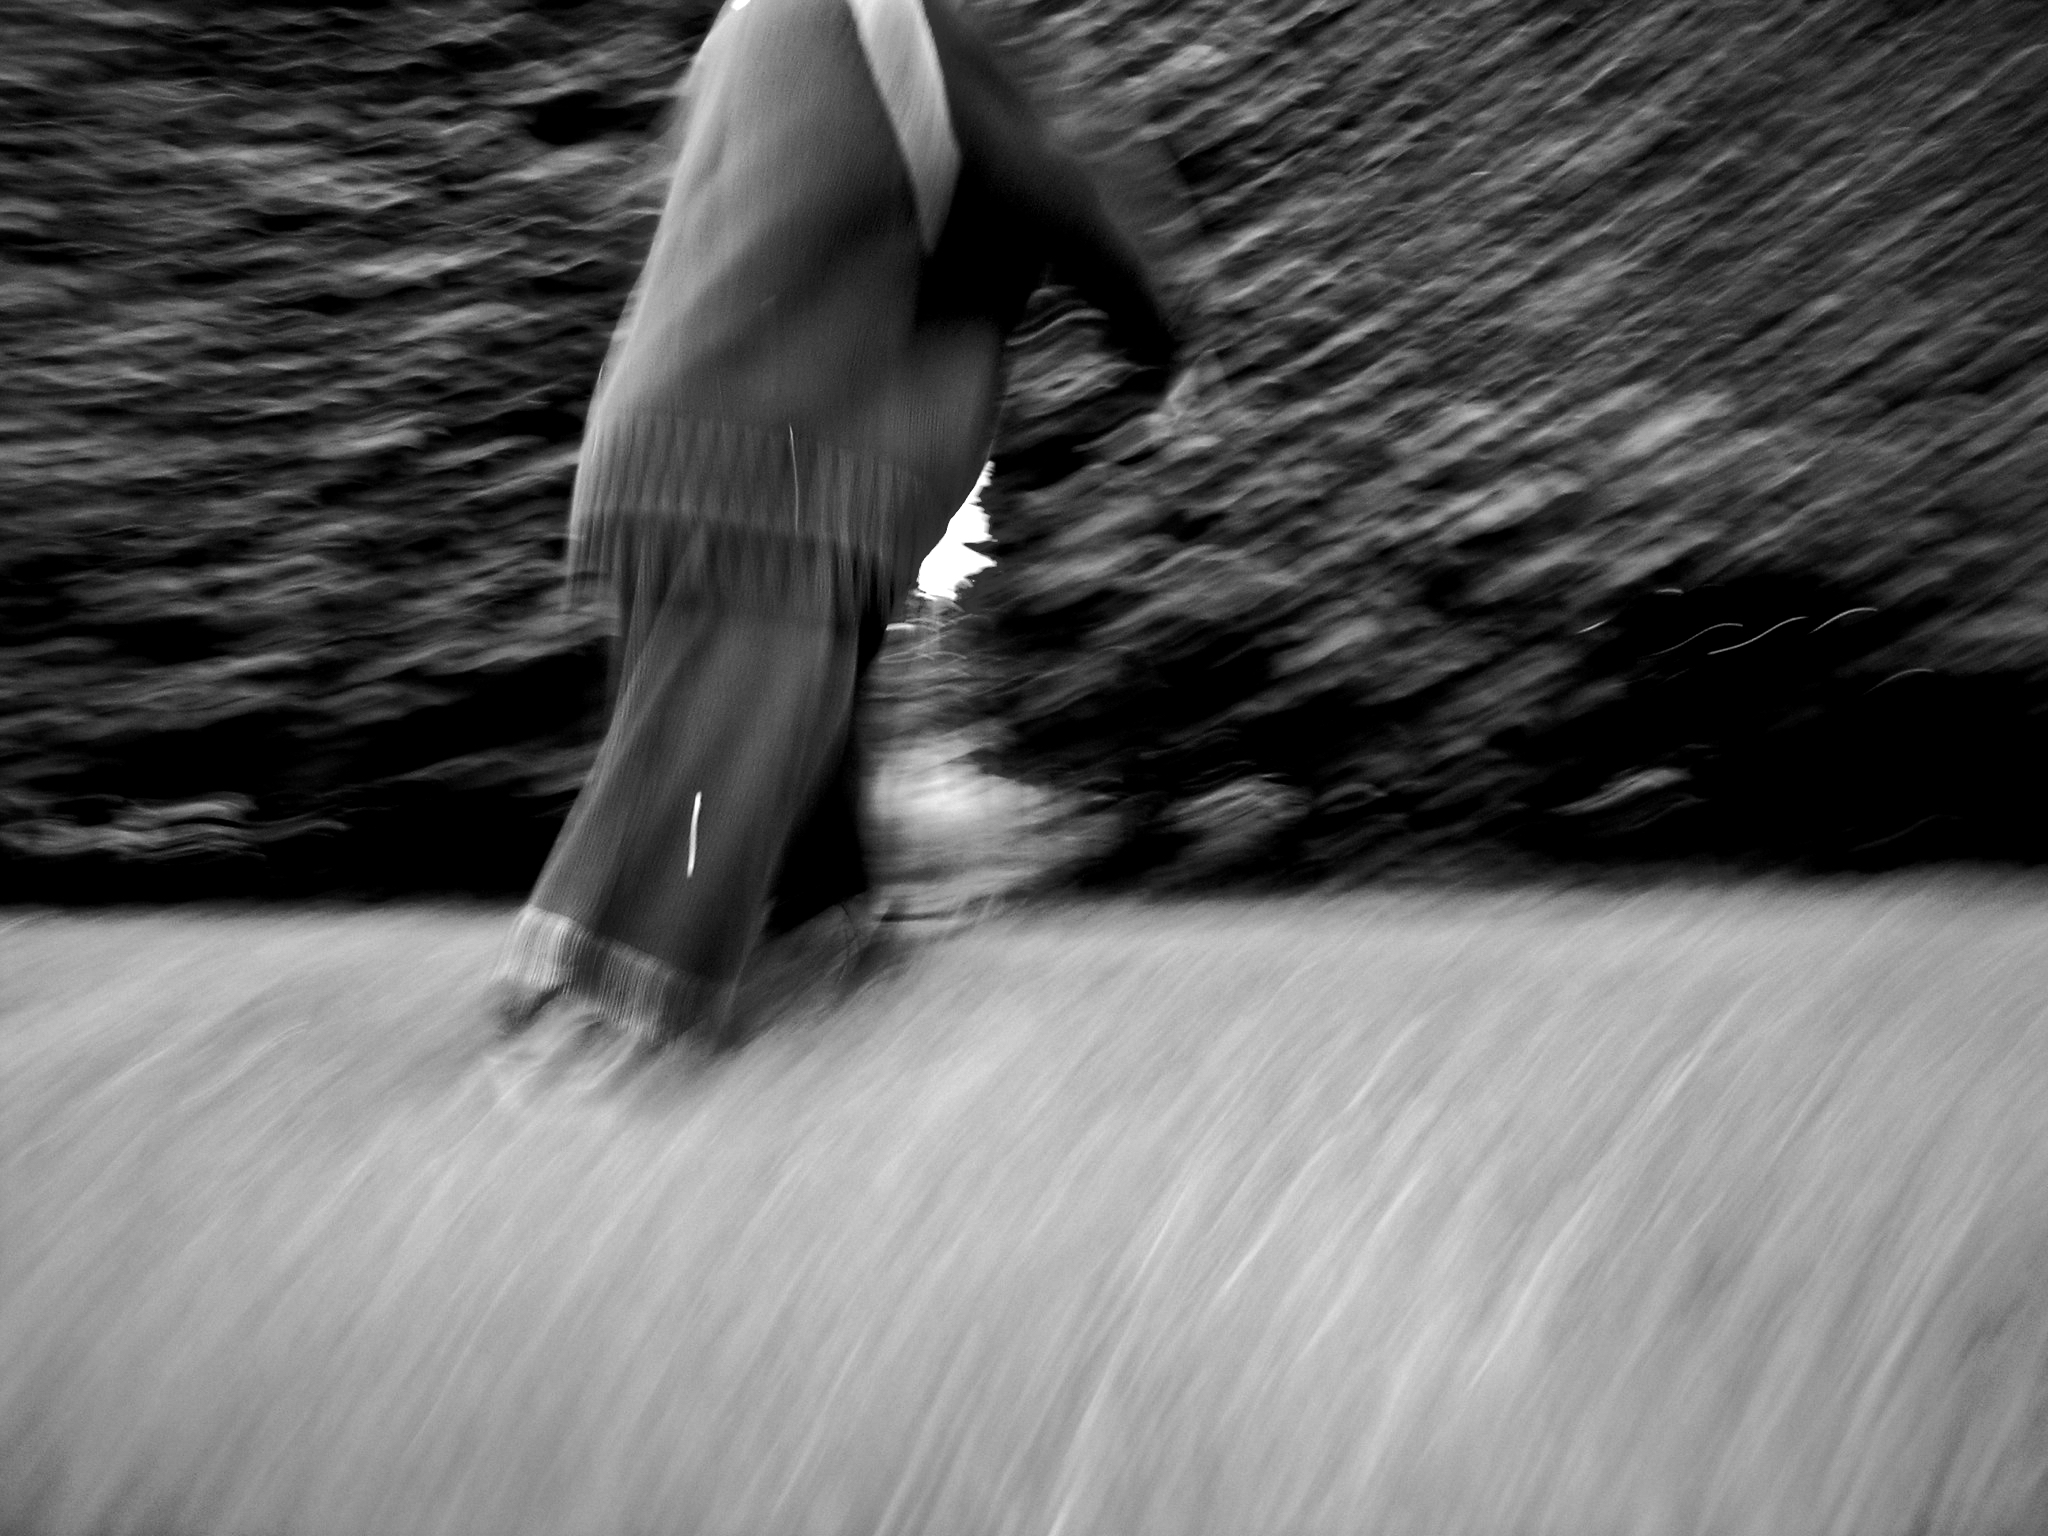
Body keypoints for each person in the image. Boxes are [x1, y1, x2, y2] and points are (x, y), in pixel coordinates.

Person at [489, 0, 1183, 1080]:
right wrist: (1166, 343)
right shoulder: (906, 17)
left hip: (668, 430)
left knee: (780, 728)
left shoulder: (745, 25)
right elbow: (1054, 186)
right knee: (716, 749)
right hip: (787, 455)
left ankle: (825, 945)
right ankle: (598, 1008)